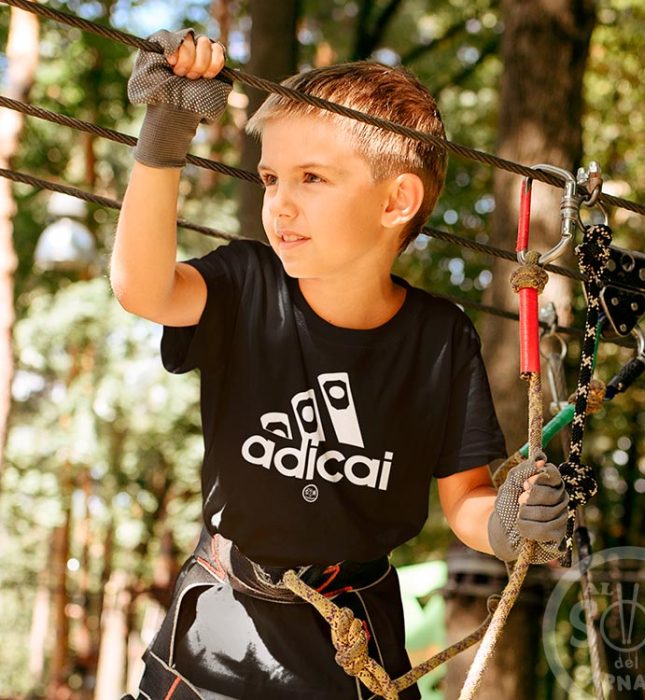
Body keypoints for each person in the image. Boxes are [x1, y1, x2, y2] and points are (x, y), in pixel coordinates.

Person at [111, 28, 569, 700]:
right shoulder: (244, 283)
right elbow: (142, 288)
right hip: (217, 632)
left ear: (396, 202)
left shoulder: (439, 338)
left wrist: (507, 522)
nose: (280, 204)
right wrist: (168, 130)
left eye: (311, 179)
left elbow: (465, 497)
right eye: (270, 179)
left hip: (354, 646)